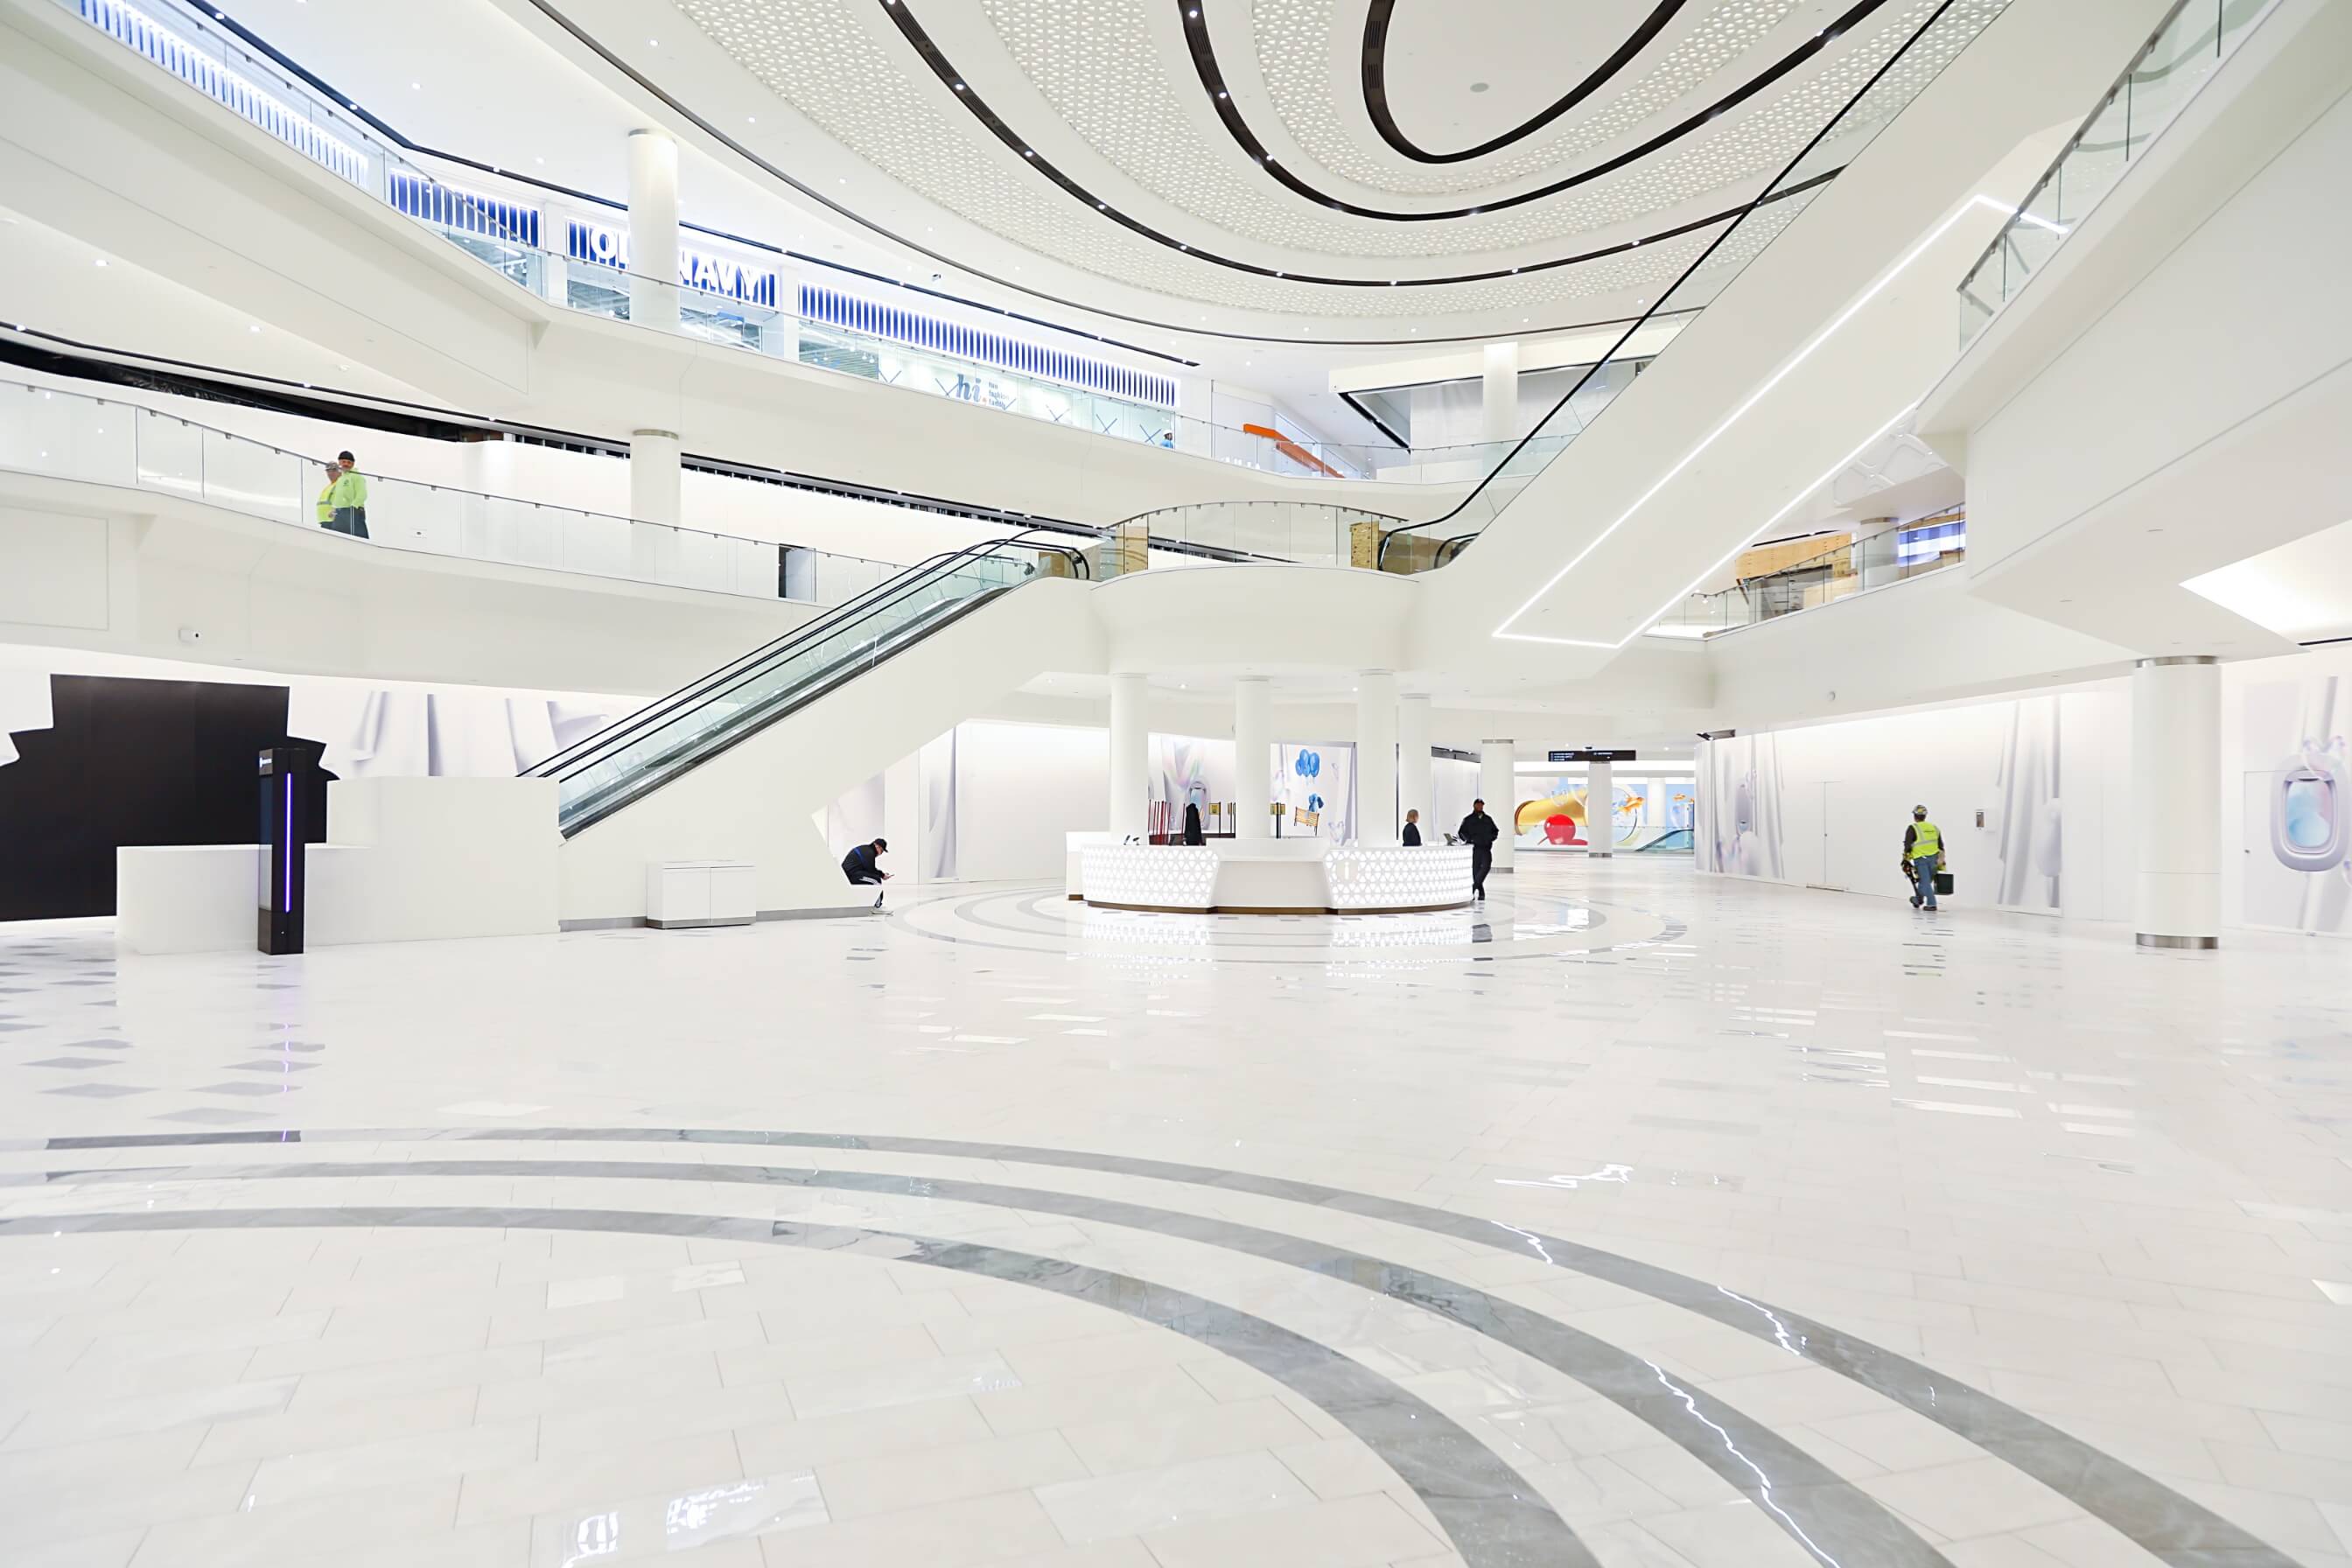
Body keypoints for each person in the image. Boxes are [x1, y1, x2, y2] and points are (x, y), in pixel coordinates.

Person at [1457, 798, 1501, 902]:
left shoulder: (1488, 819)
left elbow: (1495, 831)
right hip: (1475, 848)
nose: (1480, 807)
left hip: (1486, 848)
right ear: (1474, 806)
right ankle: (1481, 892)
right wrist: (1469, 840)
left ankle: (1473, 888)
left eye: (1482, 805)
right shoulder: (1468, 819)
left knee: (1486, 867)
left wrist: (1490, 839)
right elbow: (1461, 832)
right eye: (1478, 805)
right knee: (1475, 871)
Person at [1902, 805, 1944, 911]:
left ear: (1915, 816)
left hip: (1921, 859)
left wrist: (1906, 859)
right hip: (1934, 859)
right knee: (1925, 882)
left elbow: (1907, 846)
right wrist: (1942, 861)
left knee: (1925, 882)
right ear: (1925, 816)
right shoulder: (1934, 828)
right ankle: (1918, 899)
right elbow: (1940, 845)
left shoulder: (1913, 828)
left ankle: (1931, 904)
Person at [324, 451, 369, 539]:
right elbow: (339, 496)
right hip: (340, 512)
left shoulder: (356, 476)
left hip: (353, 511)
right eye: (344, 461)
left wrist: (353, 507)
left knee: (358, 539)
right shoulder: (341, 479)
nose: (346, 464)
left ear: (353, 464)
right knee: (337, 538)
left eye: (349, 462)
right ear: (339, 462)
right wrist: (334, 509)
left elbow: (362, 494)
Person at [842, 836, 890, 909]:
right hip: (852, 875)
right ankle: (877, 906)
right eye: (882, 851)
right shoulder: (869, 852)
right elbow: (871, 870)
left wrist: (881, 875)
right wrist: (883, 875)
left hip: (851, 874)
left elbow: (869, 869)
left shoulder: (865, 849)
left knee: (872, 879)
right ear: (877, 846)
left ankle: (871, 904)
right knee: (877, 881)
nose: (881, 853)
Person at [314, 462, 340, 532]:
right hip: (325, 520)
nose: (330, 473)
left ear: (339, 471)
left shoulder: (340, 484)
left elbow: (343, 500)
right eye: (328, 471)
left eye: (334, 470)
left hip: (333, 520)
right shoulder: (329, 486)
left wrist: (336, 511)